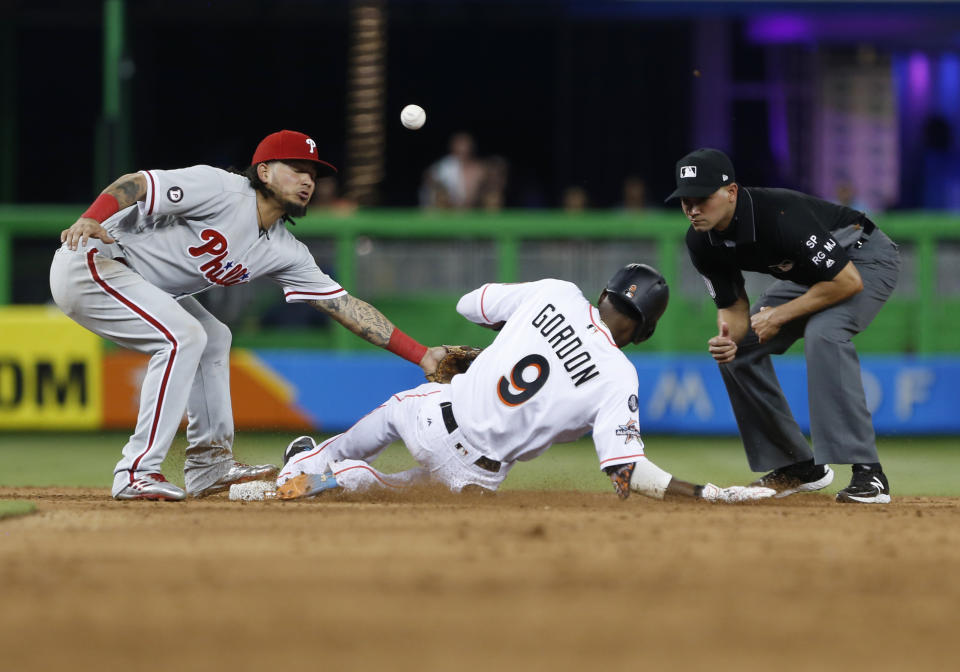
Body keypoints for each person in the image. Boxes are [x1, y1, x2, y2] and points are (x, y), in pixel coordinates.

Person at [51, 129, 445, 502]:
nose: (308, 180)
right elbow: (137, 183)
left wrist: (423, 355)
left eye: (313, 174)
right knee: (184, 336)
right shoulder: (220, 188)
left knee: (213, 338)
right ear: (264, 171)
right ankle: (136, 471)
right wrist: (92, 216)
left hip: (139, 283)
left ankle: (210, 467)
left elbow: (347, 308)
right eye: (297, 169)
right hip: (92, 261)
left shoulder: (284, 249)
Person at [273, 264, 775, 504]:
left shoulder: (555, 293)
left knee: (390, 414)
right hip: (478, 477)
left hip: (434, 419)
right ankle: (345, 478)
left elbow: (468, 304)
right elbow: (626, 473)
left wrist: (514, 330)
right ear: (644, 331)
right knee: (406, 492)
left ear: (605, 293)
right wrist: (706, 492)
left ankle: (315, 462)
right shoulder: (620, 376)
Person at [666, 148, 901, 504]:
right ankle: (798, 466)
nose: (694, 209)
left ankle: (869, 472)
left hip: (862, 259)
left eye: (703, 198)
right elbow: (732, 306)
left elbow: (846, 282)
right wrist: (729, 337)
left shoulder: (779, 215)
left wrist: (778, 314)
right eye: (686, 201)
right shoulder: (701, 239)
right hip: (810, 274)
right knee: (739, 350)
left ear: (731, 192)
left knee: (825, 333)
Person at [419, 132, 486, 209]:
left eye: (466, 145)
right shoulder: (445, 166)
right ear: (453, 147)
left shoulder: (479, 168)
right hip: (448, 207)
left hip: (473, 207)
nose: (463, 149)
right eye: (460, 145)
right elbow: (428, 179)